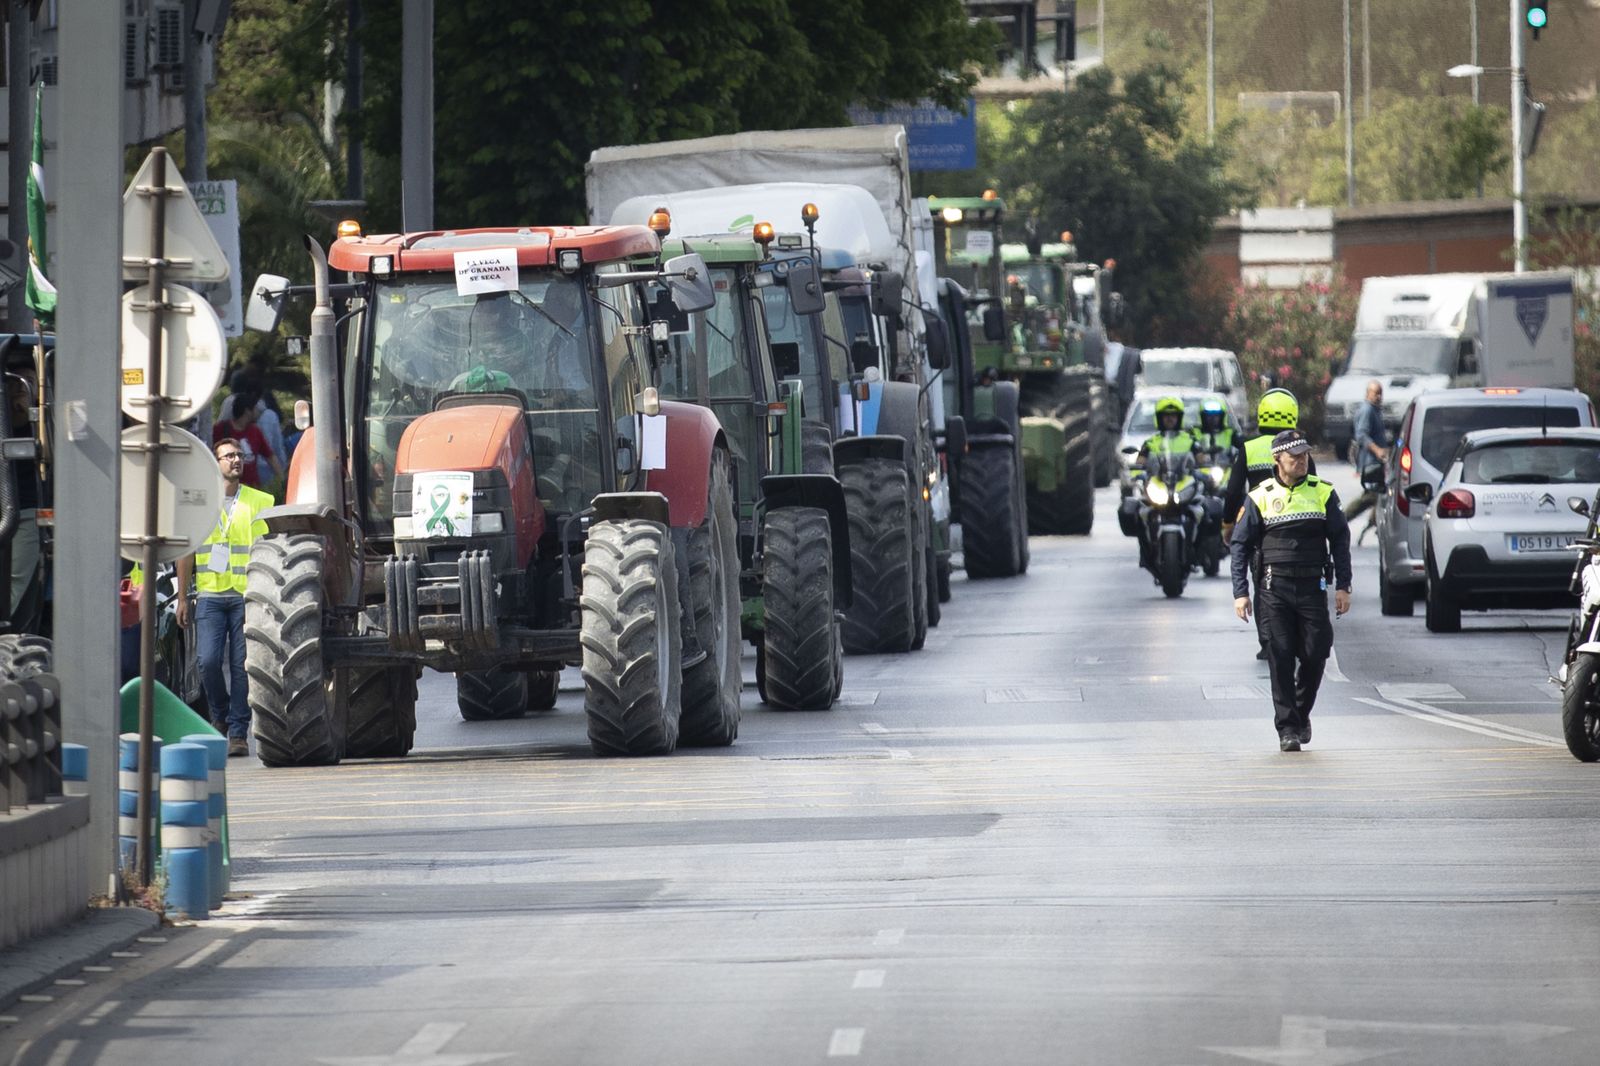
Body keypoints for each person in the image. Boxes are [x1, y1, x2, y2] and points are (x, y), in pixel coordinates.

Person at [1229, 429, 1353, 752]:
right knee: (1280, 655)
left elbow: (1340, 539)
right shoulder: (1260, 496)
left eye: (1305, 455)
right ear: (1277, 459)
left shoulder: (1323, 493)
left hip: (1313, 587)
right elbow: (1240, 545)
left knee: (1316, 651)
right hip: (1274, 589)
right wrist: (1240, 592)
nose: (1302, 460)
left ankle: (1300, 713)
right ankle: (1287, 728)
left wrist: (1344, 586)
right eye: (1294, 455)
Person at [176, 439, 273, 756]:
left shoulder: (261, 501)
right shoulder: (200, 503)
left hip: (249, 596)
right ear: (215, 463)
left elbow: (271, 548)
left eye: (239, 455)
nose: (236, 460)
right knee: (208, 661)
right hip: (211, 595)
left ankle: (238, 732)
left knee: (243, 666)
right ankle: (219, 716)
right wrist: (181, 597)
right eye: (229, 456)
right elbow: (187, 550)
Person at [1343, 379, 1391, 543]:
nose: (1378, 396)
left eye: (1380, 393)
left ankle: (1375, 527)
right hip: (1370, 462)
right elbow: (1361, 435)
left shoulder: (1375, 410)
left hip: (1376, 463)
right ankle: (1342, 520)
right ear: (1367, 393)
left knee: (1377, 496)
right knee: (1371, 497)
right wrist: (1377, 450)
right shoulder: (1367, 410)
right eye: (1375, 393)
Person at [212, 391, 283, 489]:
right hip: (228, 489)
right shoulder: (220, 429)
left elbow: (270, 456)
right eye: (255, 409)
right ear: (247, 411)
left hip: (252, 489)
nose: (258, 412)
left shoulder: (255, 431)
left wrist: (282, 480)